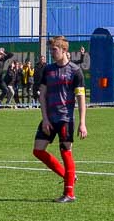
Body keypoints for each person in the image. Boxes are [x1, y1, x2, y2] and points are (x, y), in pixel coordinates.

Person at [32, 36, 87, 203]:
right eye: (51, 49)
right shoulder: (48, 70)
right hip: (50, 118)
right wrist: (45, 118)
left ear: (64, 50)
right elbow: (42, 95)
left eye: (54, 49)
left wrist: (82, 122)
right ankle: (68, 176)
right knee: (38, 150)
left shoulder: (75, 71)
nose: (51, 52)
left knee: (66, 152)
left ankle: (69, 193)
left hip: (66, 119)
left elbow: (81, 98)